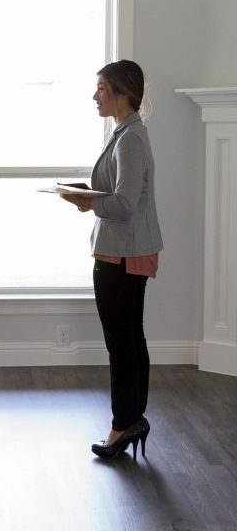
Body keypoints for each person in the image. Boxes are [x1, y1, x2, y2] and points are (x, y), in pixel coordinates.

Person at [61, 60, 163, 460]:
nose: (95, 95)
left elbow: (122, 204)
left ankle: (123, 425)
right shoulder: (124, 133)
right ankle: (131, 419)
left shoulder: (131, 139)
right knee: (129, 339)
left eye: (102, 87)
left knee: (121, 342)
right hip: (124, 249)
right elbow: (121, 197)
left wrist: (86, 200)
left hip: (123, 253)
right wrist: (88, 198)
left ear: (122, 92)